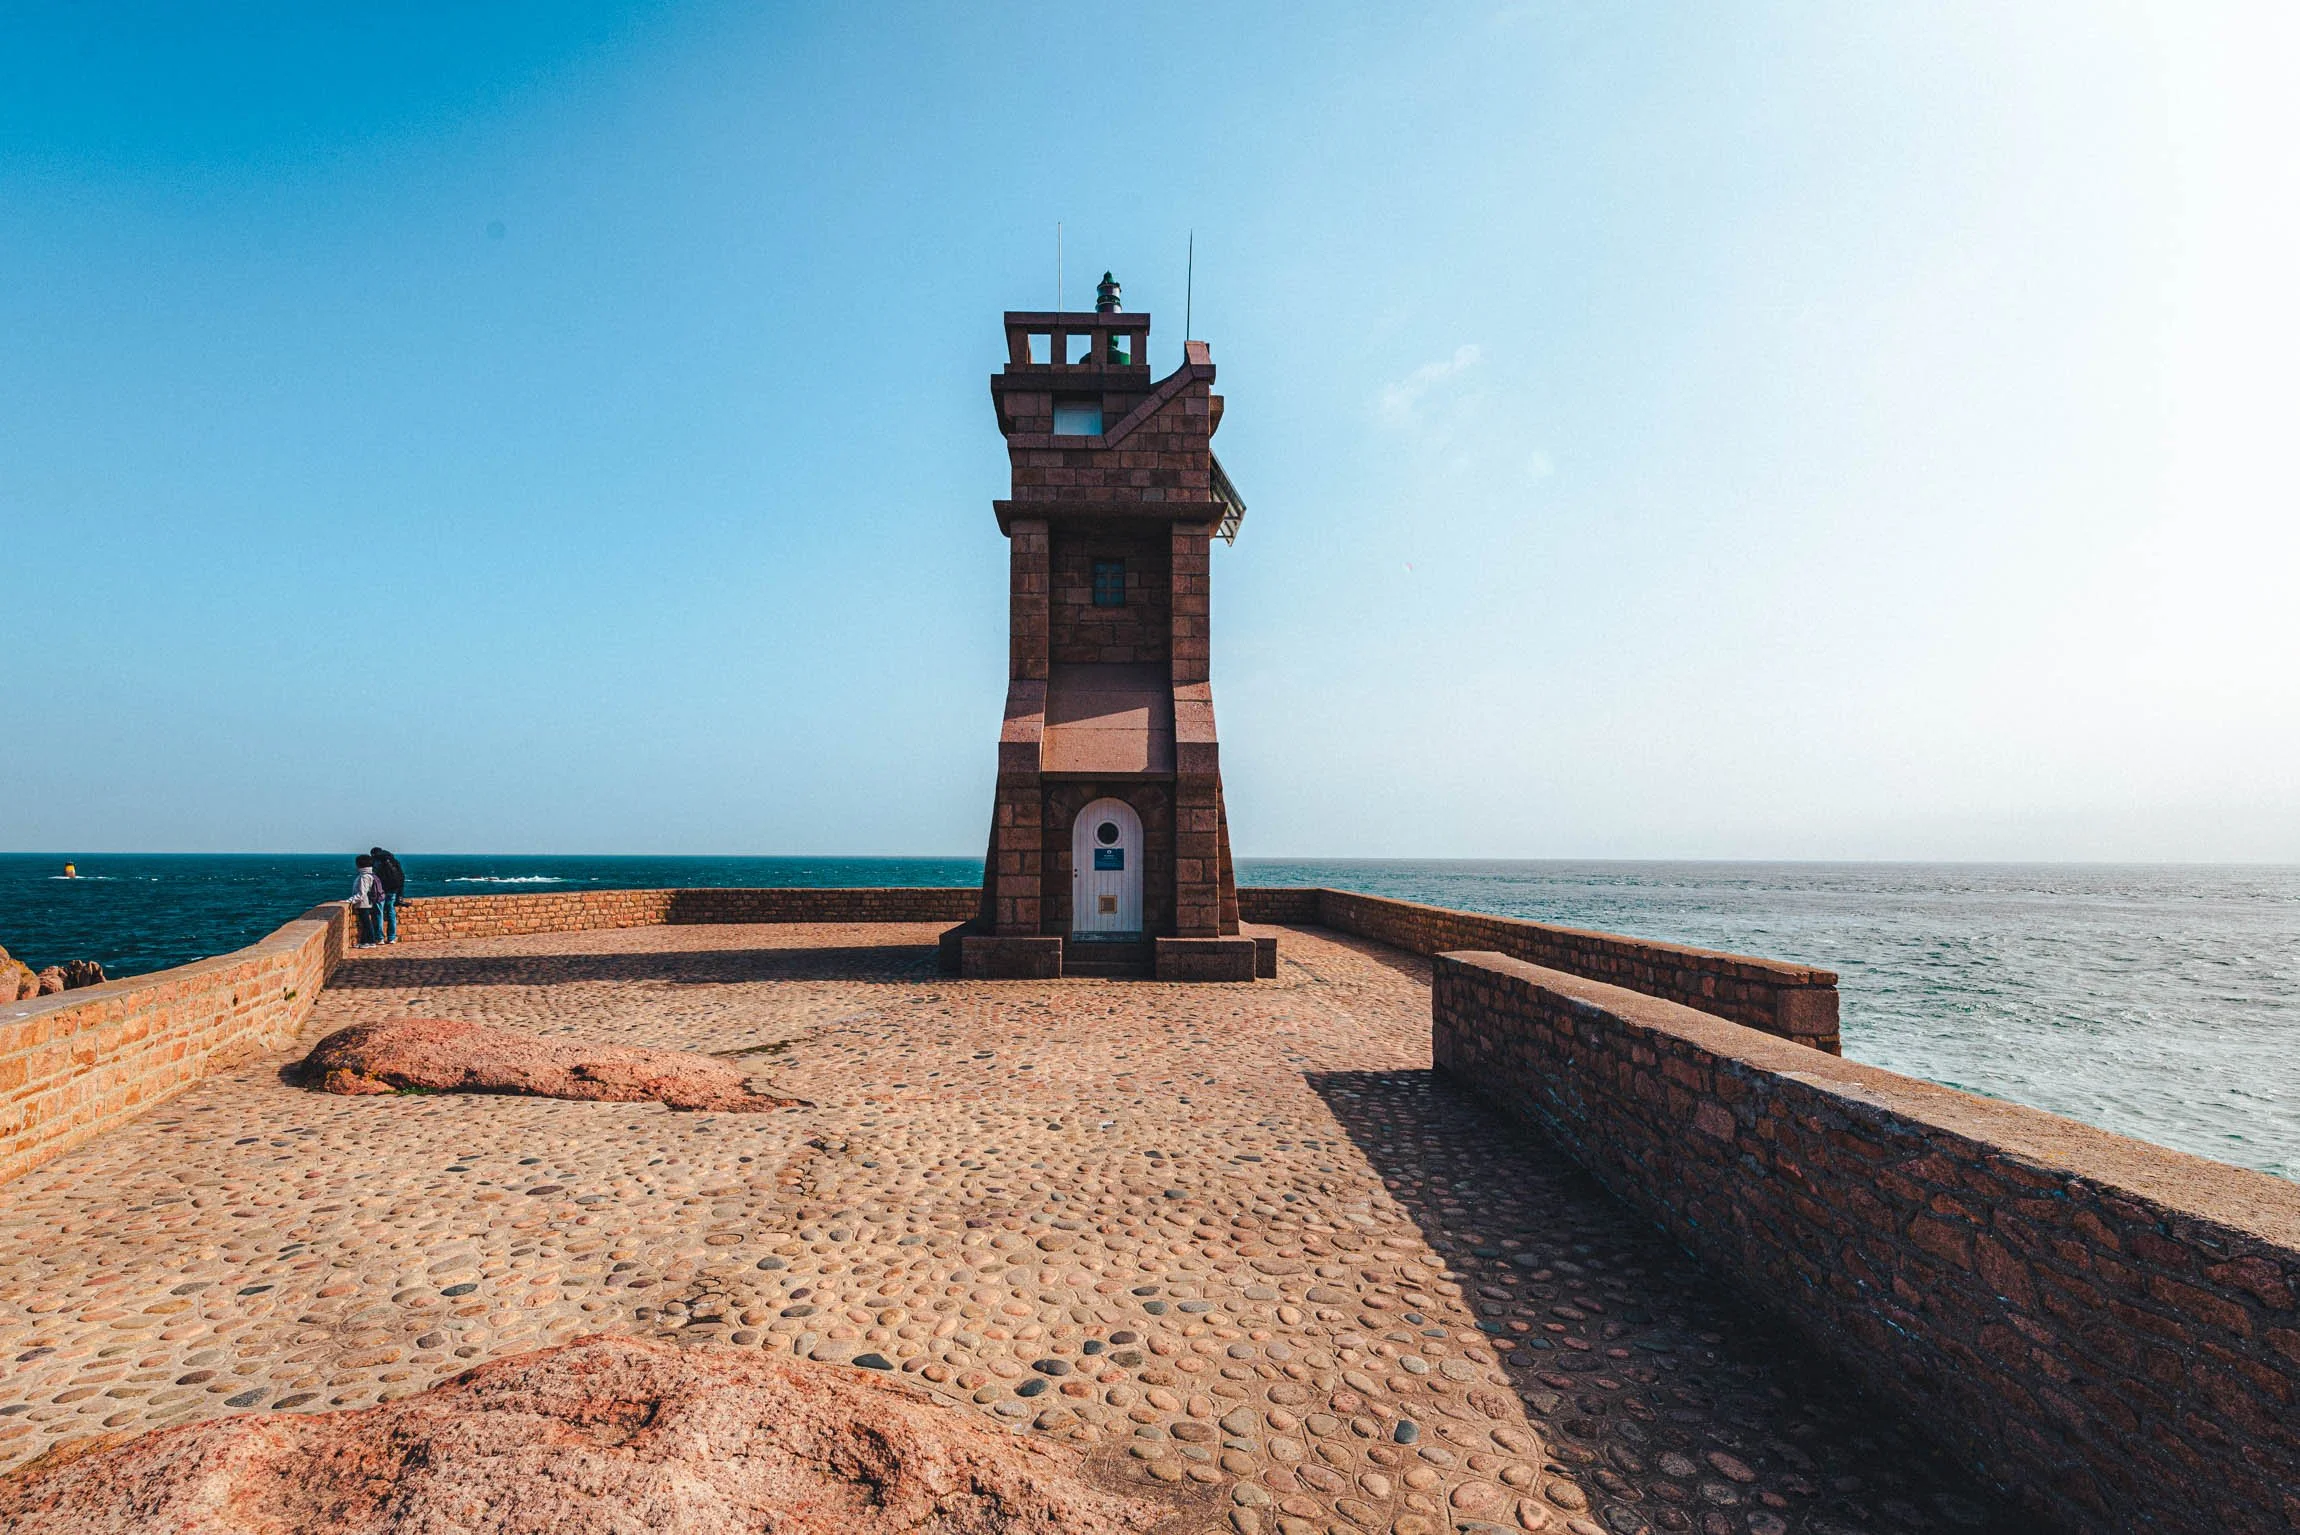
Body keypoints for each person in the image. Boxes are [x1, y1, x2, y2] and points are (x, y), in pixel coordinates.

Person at [370, 847, 406, 944]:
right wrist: (400, 894)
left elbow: (373, 876)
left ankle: (380, 938)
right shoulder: (394, 860)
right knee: (391, 911)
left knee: (379, 912)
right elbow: (402, 876)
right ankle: (391, 938)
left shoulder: (376, 861)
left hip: (380, 890)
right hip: (393, 889)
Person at [349, 854, 382, 947]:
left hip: (364, 903)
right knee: (365, 923)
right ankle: (364, 942)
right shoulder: (369, 874)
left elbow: (362, 893)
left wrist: (350, 900)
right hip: (367, 902)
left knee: (366, 923)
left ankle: (370, 941)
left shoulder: (364, 877)